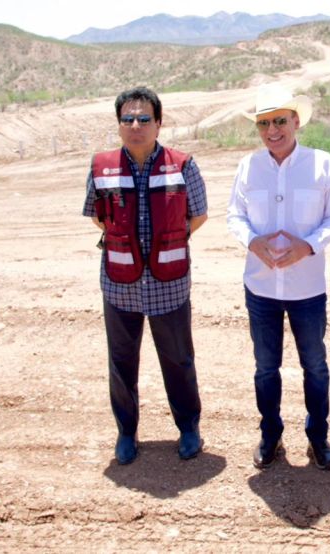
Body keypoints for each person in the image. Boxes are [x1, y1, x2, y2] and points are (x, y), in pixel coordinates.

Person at [83, 86, 208, 465]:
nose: (135, 126)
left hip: (168, 284)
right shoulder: (101, 166)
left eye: (143, 119)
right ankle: (126, 432)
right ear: (119, 124)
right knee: (121, 362)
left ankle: (188, 428)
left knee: (178, 359)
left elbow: (198, 215)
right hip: (120, 285)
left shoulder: (183, 164)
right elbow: (96, 216)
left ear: (158, 123)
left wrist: (165, 243)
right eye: (127, 119)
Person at [226, 84, 330, 470]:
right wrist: (252, 242)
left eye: (280, 121)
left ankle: (318, 437)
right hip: (261, 286)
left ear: (296, 122)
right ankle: (271, 435)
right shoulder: (248, 166)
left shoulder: (322, 163)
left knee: (315, 365)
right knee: (265, 367)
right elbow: (234, 216)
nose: (272, 130)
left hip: (308, 288)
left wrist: (308, 245)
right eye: (264, 123)